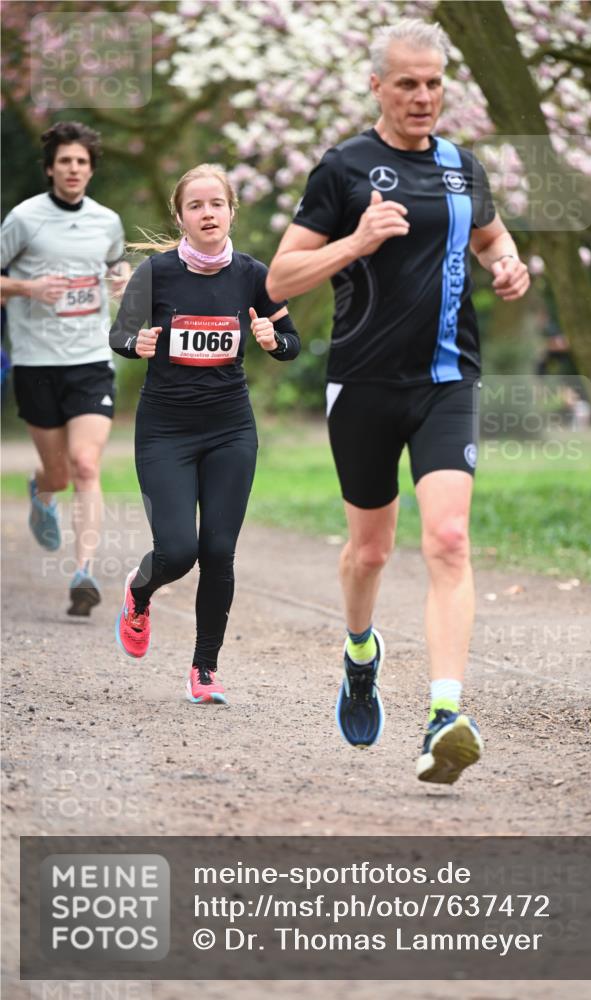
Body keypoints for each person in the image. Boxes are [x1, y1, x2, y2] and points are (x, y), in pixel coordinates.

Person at [267, 19, 529, 783]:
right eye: (406, 83)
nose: (422, 96)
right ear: (376, 86)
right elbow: (279, 280)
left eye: (433, 82)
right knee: (370, 551)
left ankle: (445, 712)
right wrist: (355, 242)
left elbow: (490, 239)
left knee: (447, 539)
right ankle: (359, 654)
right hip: (364, 383)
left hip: (448, 379)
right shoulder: (342, 169)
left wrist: (508, 263)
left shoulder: (460, 166)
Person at [109, 163, 300, 704]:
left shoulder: (254, 276)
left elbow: (292, 341)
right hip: (165, 430)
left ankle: (205, 669)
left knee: (219, 549)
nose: (207, 213)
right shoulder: (156, 274)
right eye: (195, 206)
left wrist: (272, 340)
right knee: (177, 551)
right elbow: (120, 336)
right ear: (181, 216)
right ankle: (140, 592)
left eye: (216, 203)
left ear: (231, 211)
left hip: (229, 428)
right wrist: (136, 345)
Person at [1, 121, 129, 616]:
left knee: (86, 464)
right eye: (65, 161)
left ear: (90, 168)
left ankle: (83, 573)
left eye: (81, 161)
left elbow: (115, 265)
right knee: (57, 471)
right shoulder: (24, 219)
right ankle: (41, 490)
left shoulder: (106, 221)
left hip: (91, 360)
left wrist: (122, 280)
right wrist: (27, 288)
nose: (73, 169)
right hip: (36, 362)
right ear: (50, 168)